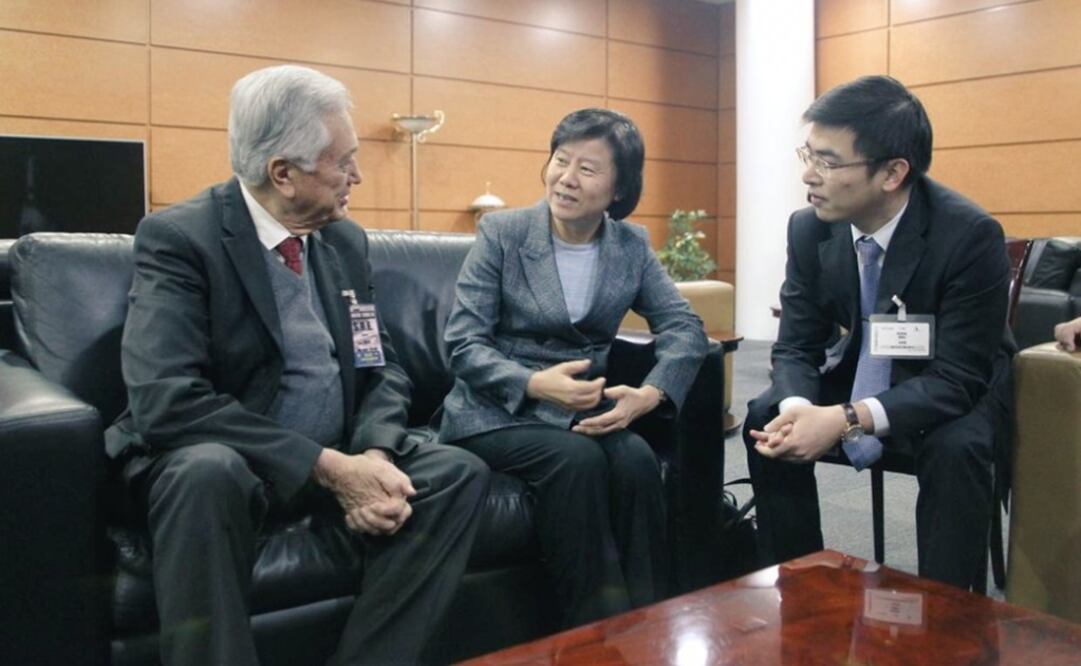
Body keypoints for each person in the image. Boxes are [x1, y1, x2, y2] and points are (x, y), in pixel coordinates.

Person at [104, 65, 489, 666]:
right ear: (283, 173)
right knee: (206, 473)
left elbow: (379, 364)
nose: (357, 176)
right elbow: (165, 399)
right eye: (343, 162)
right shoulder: (182, 239)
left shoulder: (343, 241)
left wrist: (374, 457)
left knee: (455, 472)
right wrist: (326, 468)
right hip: (238, 466)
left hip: (336, 455)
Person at [744, 75, 1015, 590]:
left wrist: (846, 418)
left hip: (957, 382)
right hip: (867, 365)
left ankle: (948, 615)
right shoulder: (810, 227)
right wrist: (801, 410)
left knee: (956, 448)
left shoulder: (969, 235)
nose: (809, 174)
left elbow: (958, 378)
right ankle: (801, 587)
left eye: (827, 161)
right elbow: (797, 344)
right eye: (808, 154)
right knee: (767, 419)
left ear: (892, 172)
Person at [439, 108, 708, 626]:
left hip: (579, 411)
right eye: (561, 161)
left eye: (588, 169)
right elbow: (463, 344)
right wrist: (535, 383)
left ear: (619, 187)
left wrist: (651, 394)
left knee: (634, 461)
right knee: (577, 462)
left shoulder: (630, 246)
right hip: (493, 410)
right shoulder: (502, 232)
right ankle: (593, 634)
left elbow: (684, 327)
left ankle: (650, 625)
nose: (566, 178)